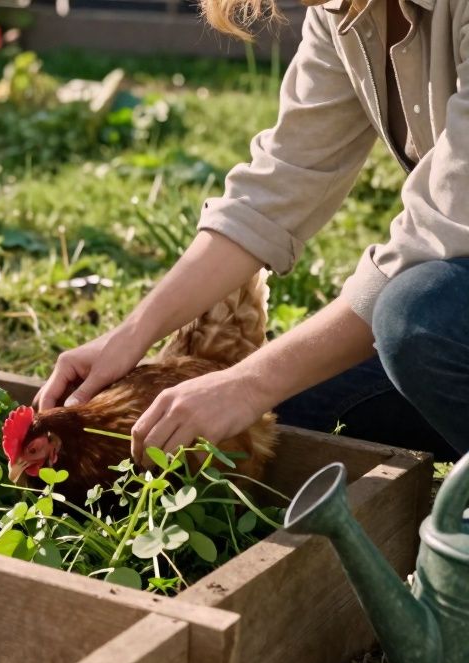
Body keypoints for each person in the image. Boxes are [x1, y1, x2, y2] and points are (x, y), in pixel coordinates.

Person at [33, 0, 468, 462]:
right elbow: (280, 183)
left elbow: (438, 233)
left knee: (416, 318)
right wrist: (129, 337)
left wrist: (249, 383)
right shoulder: (343, 12)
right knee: (289, 410)